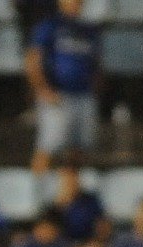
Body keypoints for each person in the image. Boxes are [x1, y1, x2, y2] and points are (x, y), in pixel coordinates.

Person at [26, 0, 101, 172]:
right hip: (58, 95)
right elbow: (33, 58)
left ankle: (72, 193)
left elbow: (96, 62)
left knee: (79, 148)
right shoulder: (50, 26)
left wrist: (95, 88)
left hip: (83, 95)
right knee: (48, 146)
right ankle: (38, 188)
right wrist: (42, 88)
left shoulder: (88, 29)